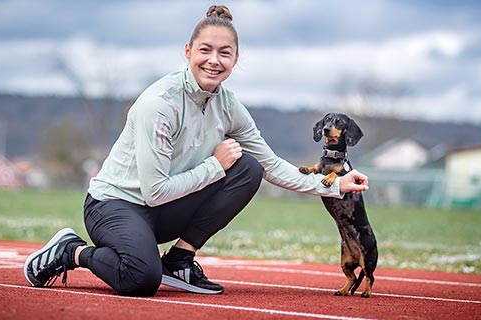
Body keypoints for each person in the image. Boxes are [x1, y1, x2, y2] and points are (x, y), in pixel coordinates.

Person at [23, 5, 369, 297]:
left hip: (162, 210)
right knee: (141, 279)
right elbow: (154, 191)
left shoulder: (229, 106)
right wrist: (215, 166)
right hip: (115, 206)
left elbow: (271, 165)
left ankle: (178, 262)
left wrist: (334, 185)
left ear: (236, 59)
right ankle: (72, 251)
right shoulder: (160, 104)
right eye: (205, 50)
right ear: (188, 51)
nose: (214, 61)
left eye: (225, 53)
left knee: (248, 168)